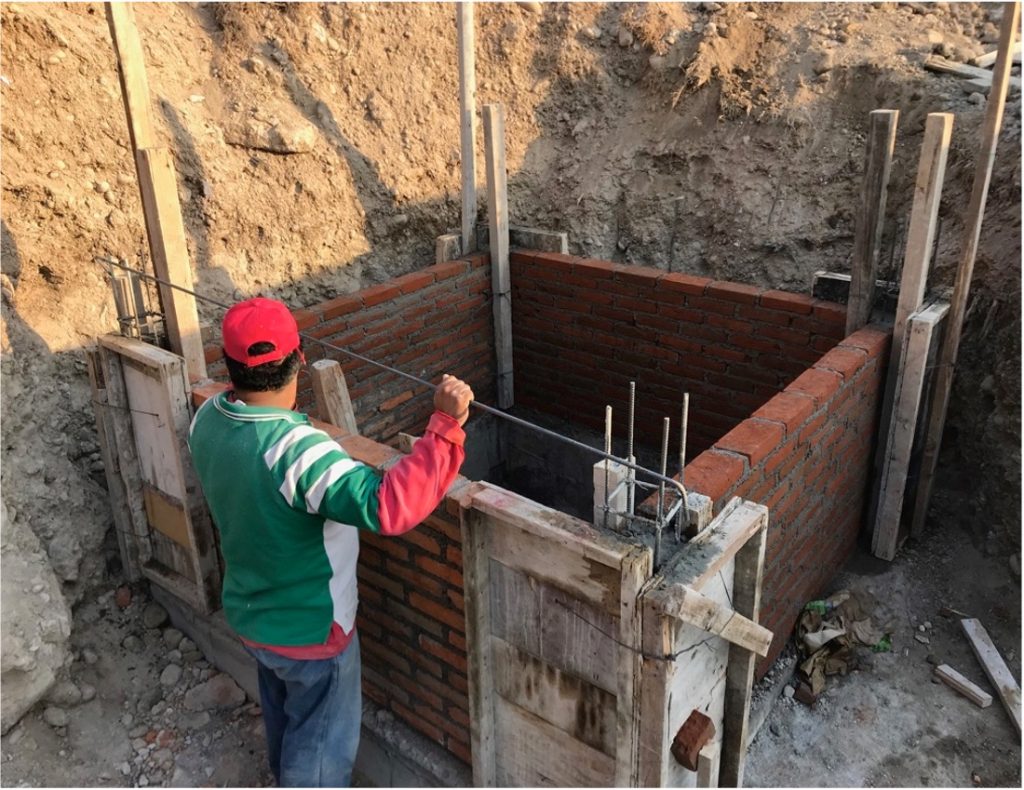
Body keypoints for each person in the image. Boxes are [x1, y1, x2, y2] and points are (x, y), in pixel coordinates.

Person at [187, 296, 473, 787]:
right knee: (320, 744)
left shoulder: (208, 421)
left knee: (283, 707)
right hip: (312, 632)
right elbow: (389, 506)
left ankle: (282, 772)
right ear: (300, 359)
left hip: (253, 617)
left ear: (228, 366)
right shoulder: (296, 452)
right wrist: (445, 429)